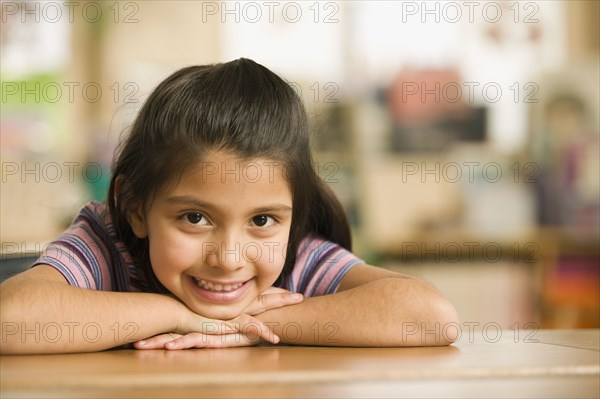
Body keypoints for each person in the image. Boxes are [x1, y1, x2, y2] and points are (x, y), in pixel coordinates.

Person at [0, 58, 458, 354]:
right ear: (135, 208)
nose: (229, 259)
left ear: (293, 213)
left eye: (261, 220)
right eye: (195, 218)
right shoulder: (105, 239)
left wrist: (253, 324)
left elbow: (431, 317)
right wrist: (179, 316)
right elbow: (11, 321)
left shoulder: (297, 256)